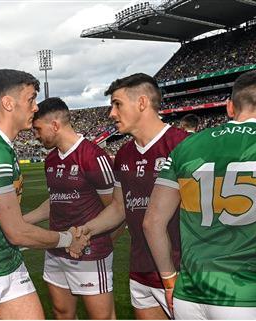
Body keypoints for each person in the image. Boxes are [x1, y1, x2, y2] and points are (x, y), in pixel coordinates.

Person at [0, 69, 88, 319]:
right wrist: (68, 239)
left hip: (8, 263)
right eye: (31, 99)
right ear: (8, 103)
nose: (35, 108)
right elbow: (16, 232)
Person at [144, 69, 256, 319]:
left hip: (192, 295)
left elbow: (153, 222)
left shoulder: (187, 146)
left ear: (230, 107)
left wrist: (168, 280)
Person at [76, 73, 189, 319]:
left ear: (142, 102)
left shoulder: (184, 146)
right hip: (140, 271)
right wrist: (86, 229)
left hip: (182, 272)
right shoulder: (125, 154)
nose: (111, 114)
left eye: (117, 104)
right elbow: (119, 207)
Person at [26, 97, 116, 319]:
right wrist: (21, 222)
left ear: (55, 125)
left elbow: (115, 208)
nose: (35, 136)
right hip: (56, 247)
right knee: (62, 312)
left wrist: (97, 245)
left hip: (89, 252)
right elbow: (54, 202)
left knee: (101, 317)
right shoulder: (51, 160)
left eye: (38, 129)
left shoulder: (94, 157)